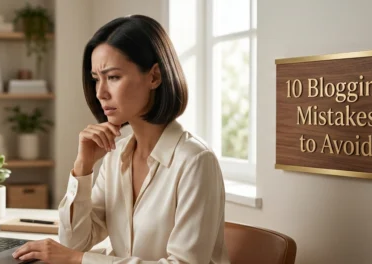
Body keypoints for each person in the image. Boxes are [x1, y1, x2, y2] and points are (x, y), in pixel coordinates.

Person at [12, 15, 231, 264]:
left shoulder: (195, 161)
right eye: (96, 79)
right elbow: (75, 242)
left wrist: (79, 260)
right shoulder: (116, 154)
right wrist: (83, 167)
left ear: (154, 77)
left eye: (113, 77)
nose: (100, 92)